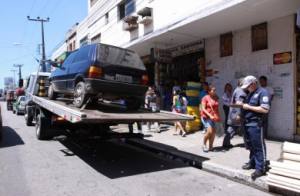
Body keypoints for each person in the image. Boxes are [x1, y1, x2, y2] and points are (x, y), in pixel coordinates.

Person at [237, 75, 270, 180]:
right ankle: (252, 163)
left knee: (258, 146)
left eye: (248, 86)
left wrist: (248, 107)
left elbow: (265, 110)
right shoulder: (250, 93)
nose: (247, 88)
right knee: (251, 146)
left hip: (256, 124)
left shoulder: (262, 92)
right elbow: (247, 108)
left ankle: (261, 168)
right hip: (247, 123)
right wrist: (241, 111)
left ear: (254, 83)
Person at [222, 78, 247, 149]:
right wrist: (239, 114)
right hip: (237, 113)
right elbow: (239, 103)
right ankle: (248, 144)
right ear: (242, 84)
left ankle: (226, 143)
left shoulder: (237, 90)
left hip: (234, 113)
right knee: (241, 128)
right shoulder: (240, 91)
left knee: (233, 128)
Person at [201, 85, 220, 152]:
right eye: (213, 90)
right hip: (206, 117)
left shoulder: (216, 97)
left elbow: (216, 108)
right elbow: (203, 108)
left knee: (213, 132)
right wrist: (210, 115)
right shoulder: (205, 98)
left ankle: (211, 147)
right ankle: (204, 144)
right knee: (209, 131)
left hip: (213, 117)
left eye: (215, 90)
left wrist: (218, 116)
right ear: (209, 91)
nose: (214, 91)